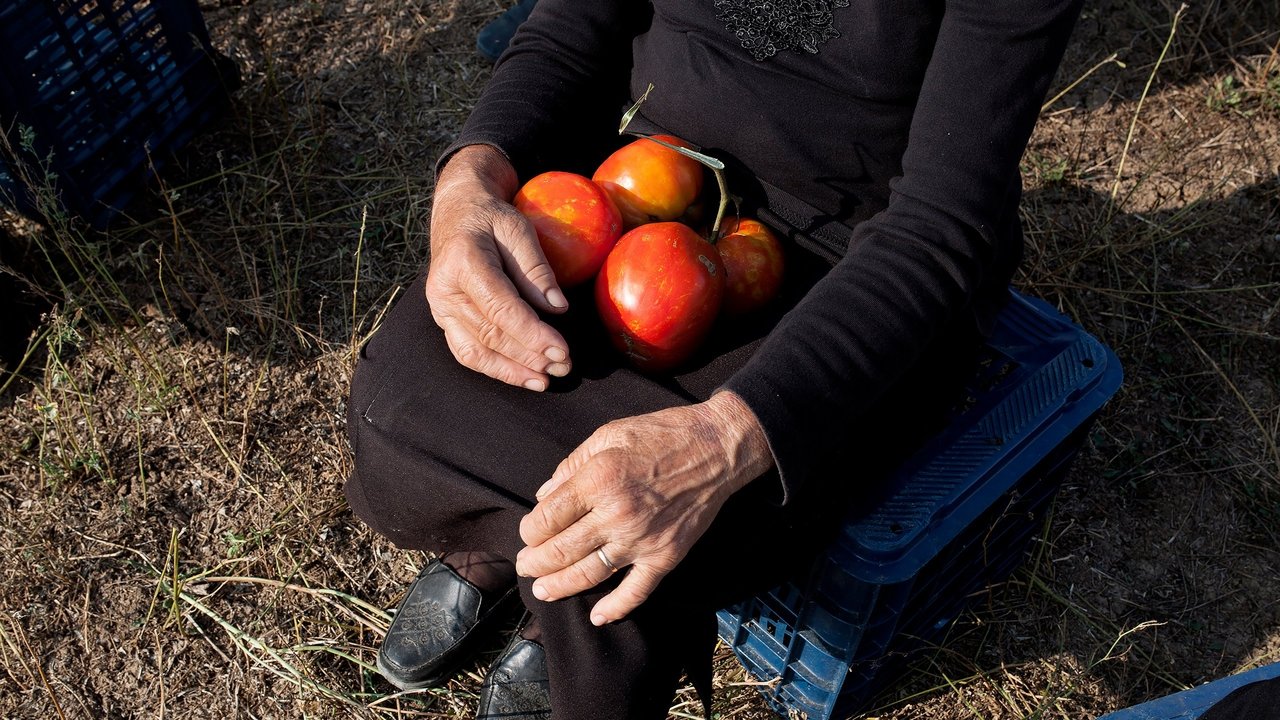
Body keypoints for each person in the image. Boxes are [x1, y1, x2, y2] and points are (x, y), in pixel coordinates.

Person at [345, 0, 1085, 717]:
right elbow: (571, 32)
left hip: (847, 267)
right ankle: (509, 550)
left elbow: (938, 226)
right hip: (640, 179)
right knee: (401, 394)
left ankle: (549, 607)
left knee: (649, 547)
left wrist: (727, 438)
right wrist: (470, 177)